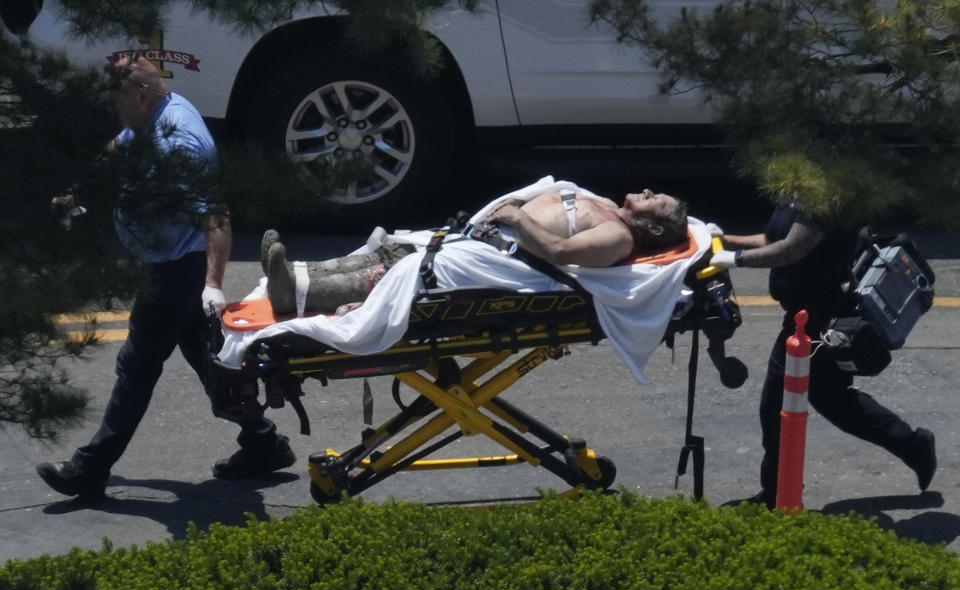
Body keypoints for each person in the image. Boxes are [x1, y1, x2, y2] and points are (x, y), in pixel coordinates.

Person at [36, 54, 295, 501]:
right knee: (210, 362)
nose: (111, 106)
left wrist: (212, 286)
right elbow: (119, 145)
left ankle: (90, 468)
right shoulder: (150, 116)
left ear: (139, 94)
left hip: (177, 271)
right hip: (169, 265)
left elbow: (216, 217)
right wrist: (80, 190)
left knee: (136, 367)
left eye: (115, 98)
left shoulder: (180, 143)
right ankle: (263, 443)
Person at [710, 202, 937, 507]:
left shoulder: (826, 199)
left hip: (816, 317)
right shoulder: (797, 194)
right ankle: (912, 445)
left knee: (776, 405)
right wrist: (726, 239)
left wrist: (734, 259)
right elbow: (772, 240)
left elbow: (790, 250)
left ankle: (776, 494)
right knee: (834, 400)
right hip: (806, 311)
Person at [264, 187, 690, 315]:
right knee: (395, 252)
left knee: (408, 269)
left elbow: (560, 251)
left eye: (658, 200)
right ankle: (300, 273)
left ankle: (297, 292)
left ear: (651, 224)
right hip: (487, 238)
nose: (650, 190)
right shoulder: (610, 208)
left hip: (503, 262)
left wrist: (518, 218)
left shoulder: (618, 237)